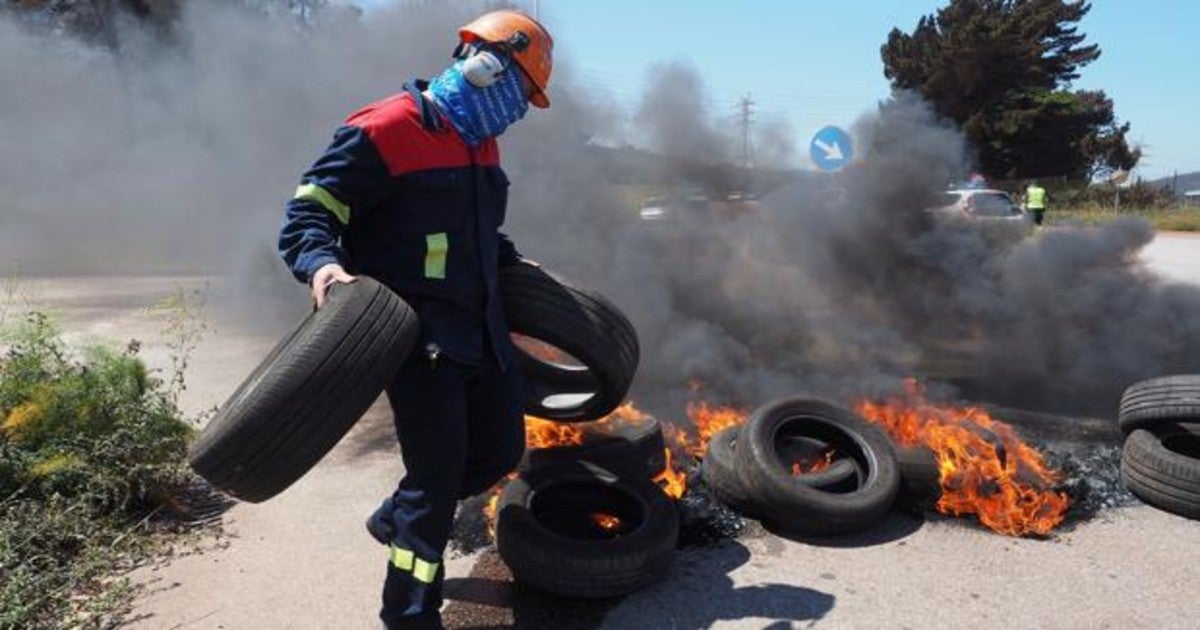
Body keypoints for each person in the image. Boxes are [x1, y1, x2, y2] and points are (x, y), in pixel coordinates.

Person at [277, 10, 553, 629]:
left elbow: (474, 229)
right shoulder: (382, 129)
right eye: (519, 91)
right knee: (435, 484)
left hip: (483, 331)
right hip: (419, 341)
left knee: (499, 452)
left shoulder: (480, 138)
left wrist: (511, 262)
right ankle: (409, 614)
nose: (518, 111)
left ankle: (392, 518)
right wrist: (323, 267)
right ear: (485, 66)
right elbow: (310, 214)